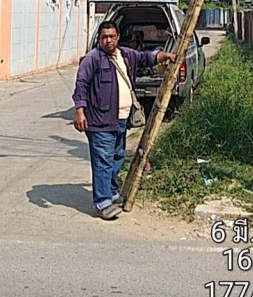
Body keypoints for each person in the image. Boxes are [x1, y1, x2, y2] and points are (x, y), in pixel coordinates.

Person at [73, 20, 177, 220]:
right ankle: (103, 203)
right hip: (99, 120)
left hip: (121, 120)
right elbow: (81, 84)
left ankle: (111, 192)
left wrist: (165, 55)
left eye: (112, 36)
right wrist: (80, 110)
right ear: (99, 39)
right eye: (105, 37)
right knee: (103, 160)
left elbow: (147, 57)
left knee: (117, 157)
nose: (108, 40)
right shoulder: (92, 59)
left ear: (118, 37)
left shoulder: (126, 55)